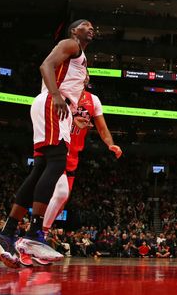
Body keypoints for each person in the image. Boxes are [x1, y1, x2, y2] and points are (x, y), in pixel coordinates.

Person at [0, 19, 94, 269]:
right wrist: (57, 96)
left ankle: (7, 233)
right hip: (52, 104)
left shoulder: (79, 57)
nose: (91, 28)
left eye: (92, 26)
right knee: (57, 165)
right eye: (85, 25)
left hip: (59, 109)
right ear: (73, 31)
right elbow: (45, 65)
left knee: (41, 169)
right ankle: (34, 235)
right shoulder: (70, 44)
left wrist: (74, 113)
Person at [42, 82, 122, 239]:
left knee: (61, 202)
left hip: (73, 156)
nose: (83, 76)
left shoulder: (93, 100)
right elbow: (49, 114)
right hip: (57, 148)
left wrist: (111, 144)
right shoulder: (61, 93)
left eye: (86, 74)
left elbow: (102, 128)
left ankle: (38, 232)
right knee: (59, 193)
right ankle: (38, 234)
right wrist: (72, 118)